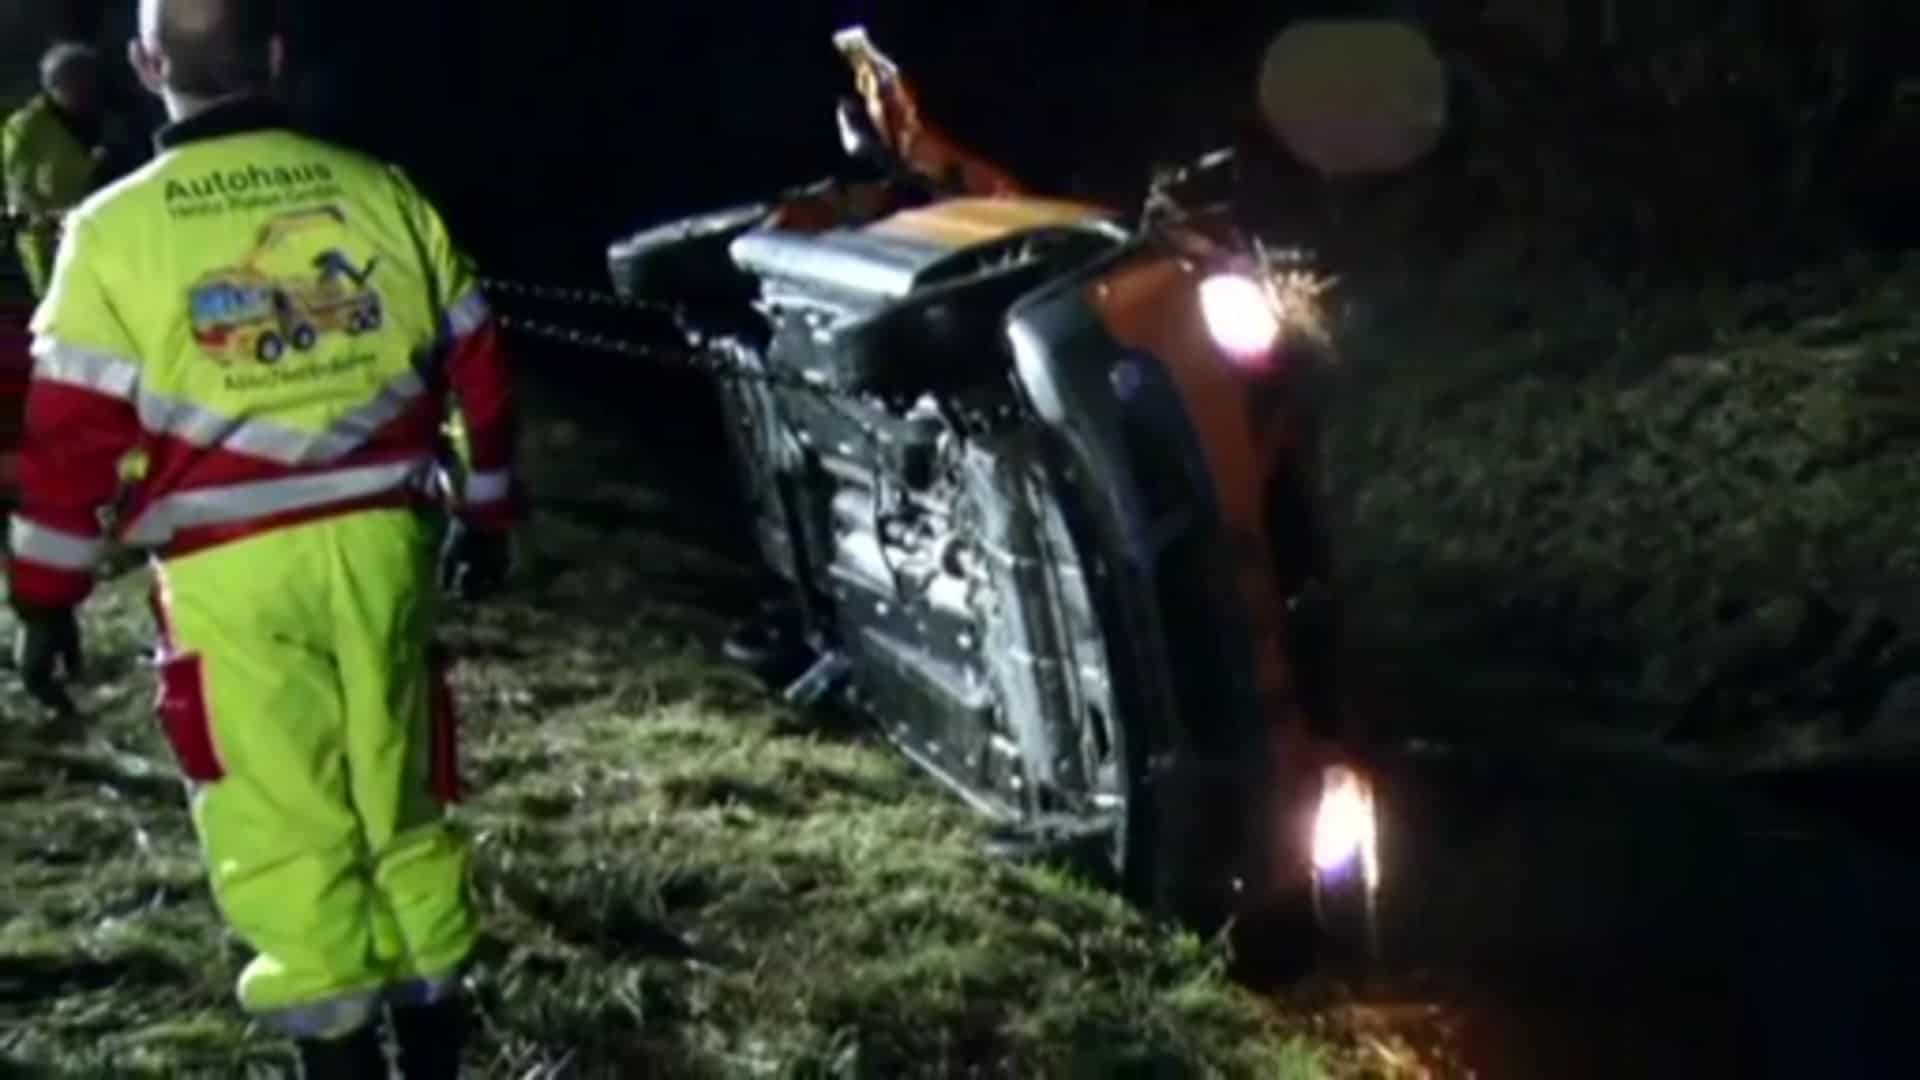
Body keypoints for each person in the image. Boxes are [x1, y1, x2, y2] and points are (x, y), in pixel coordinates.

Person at [6, 1, 518, 1075]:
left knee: (280, 813)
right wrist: (488, 510)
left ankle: (335, 1048)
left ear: (147, 66)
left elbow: (69, 442)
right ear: (277, 58)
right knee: (401, 780)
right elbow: (477, 357)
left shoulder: (109, 233)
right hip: (384, 545)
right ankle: (434, 1033)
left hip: (226, 574)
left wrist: (44, 602)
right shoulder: (377, 191)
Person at [3, 42, 109, 298]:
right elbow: (20, 193)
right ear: (56, 85)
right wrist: (52, 222)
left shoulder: (91, 119)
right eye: (81, 84)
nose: (90, 92)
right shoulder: (26, 127)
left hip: (88, 235)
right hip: (46, 246)